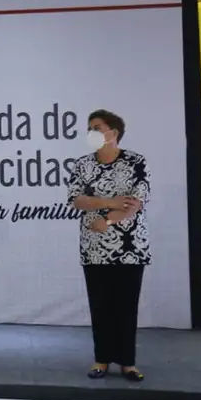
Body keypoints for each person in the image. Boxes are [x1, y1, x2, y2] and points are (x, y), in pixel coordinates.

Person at [67, 109, 149, 382]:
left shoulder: (136, 161)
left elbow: (135, 202)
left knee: (126, 305)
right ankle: (101, 359)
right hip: (93, 247)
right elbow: (78, 200)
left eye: (98, 127)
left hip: (130, 247)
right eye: (90, 127)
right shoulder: (82, 165)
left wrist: (109, 220)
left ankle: (128, 362)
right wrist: (112, 202)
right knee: (100, 305)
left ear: (114, 132)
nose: (92, 131)